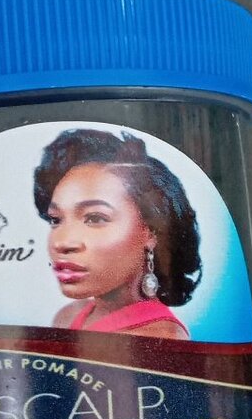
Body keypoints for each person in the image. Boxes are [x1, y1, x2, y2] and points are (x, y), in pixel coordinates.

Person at [33, 128, 201, 339]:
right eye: (56, 220)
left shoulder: (160, 339)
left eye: (95, 218)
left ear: (152, 231)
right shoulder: (67, 316)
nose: (62, 243)